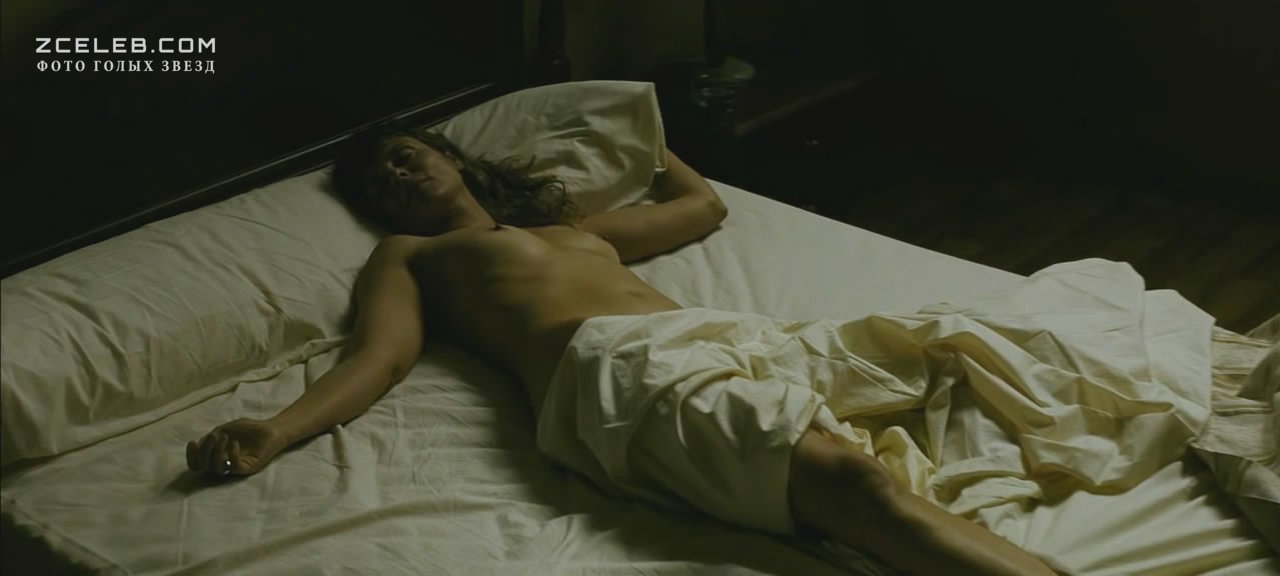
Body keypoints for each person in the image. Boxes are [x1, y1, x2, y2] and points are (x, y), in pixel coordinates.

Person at [186, 123, 1056, 576]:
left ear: (449, 156)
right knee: (854, 484)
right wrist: (277, 430)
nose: (399, 177)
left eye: (406, 158)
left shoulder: (568, 229)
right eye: (383, 183)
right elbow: (379, 358)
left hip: (721, 345)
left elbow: (703, 208)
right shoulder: (411, 257)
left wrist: (640, 127)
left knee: (962, 368)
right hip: (619, 373)